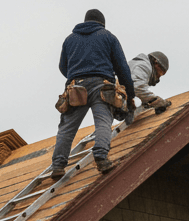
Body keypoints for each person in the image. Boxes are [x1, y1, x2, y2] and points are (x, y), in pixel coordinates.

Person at [49, 10, 136, 179]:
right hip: (101, 85)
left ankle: (58, 166)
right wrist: (130, 94)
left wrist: (75, 76)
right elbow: (122, 68)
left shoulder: (70, 39)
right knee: (103, 121)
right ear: (101, 23)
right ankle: (101, 158)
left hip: (76, 87)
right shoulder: (108, 36)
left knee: (67, 128)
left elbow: (62, 66)